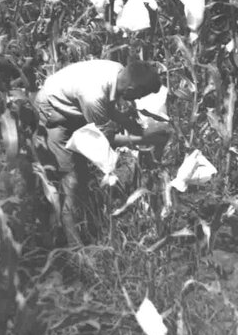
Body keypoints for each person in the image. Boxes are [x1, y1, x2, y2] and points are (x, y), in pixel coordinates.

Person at [33, 59, 170, 247]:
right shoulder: (93, 95)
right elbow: (104, 141)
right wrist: (147, 139)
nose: (138, 100)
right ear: (131, 89)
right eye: (140, 94)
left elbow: (108, 107)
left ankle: (82, 215)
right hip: (54, 111)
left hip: (73, 103)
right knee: (71, 179)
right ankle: (74, 246)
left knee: (82, 172)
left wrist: (127, 122)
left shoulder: (117, 70)